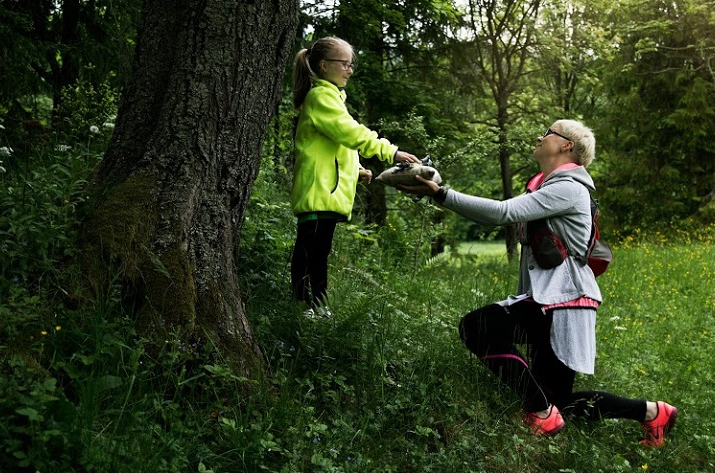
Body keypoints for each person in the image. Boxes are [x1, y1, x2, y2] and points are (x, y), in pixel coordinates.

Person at [397, 119, 678, 447]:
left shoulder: (568, 188)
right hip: (562, 300)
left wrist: (441, 194)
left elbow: (502, 213)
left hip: (563, 298)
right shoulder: (548, 186)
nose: (539, 136)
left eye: (547, 133)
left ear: (565, 145)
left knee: (478, 328)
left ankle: (541, 414)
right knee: (558, 401)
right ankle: (652, 413)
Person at [290, 36, 420, 316]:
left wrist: (355, 168)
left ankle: (308, 307)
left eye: (351, 64)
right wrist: (391, 152)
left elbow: (334, 145)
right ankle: (310, 308)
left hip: (325, 189)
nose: (349, 69)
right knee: (312, 252)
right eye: (344, 63)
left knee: (316, 250)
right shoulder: (321, 97)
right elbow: (351, 133)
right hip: (318, 190)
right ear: (324, 66)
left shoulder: (330, 97)